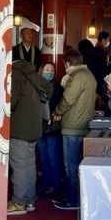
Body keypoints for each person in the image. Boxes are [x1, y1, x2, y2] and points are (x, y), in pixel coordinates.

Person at [51, 49, 97, 211]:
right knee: (77, 165)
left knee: (70, 166)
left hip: (73, 126)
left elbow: (68, 99)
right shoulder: (89, 75)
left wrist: (57, 111)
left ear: (68, 64)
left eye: (65, 65)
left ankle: (72, 200)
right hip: (84, 124)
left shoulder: (77, 76)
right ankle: (74, 197)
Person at [8, 57, 53, 215]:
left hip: (19, 126)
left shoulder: (14, 73)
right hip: (34, 125)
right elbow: (48, 87)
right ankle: (29, 201)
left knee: (19, 165)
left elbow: (10, 102)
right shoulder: (32, 73)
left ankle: (19, 202)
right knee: (29, 163)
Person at [36, 62, 64, 201]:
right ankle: (44, 184)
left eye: (52, 70)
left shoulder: (58, 88)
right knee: (43, 158)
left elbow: (56, 104)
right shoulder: (35, 86)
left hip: (53, 128)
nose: (49, 72)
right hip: (39, 127)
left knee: (54, 158)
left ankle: (56, 186)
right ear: (41, 71)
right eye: (46, 69)